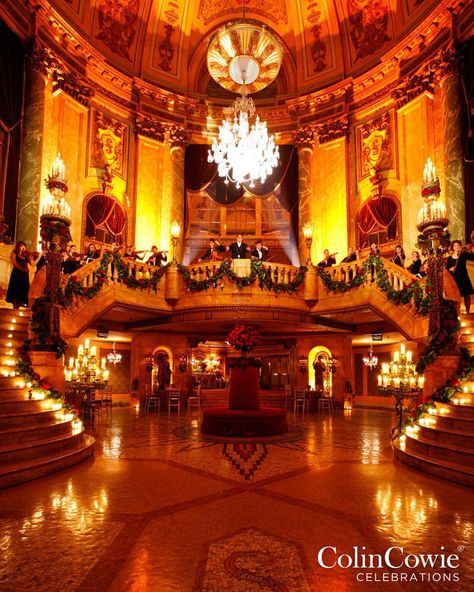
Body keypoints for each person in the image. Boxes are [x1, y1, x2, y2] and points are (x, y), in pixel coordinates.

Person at [446, 240, 474, 313]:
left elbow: (472, 258)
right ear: (453, 248)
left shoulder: (463, 254)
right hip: (455, 278)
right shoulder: (450, 258)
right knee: (456, 296)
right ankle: (457, 312)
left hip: (464, 277)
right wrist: (450, 269)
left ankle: (467, 311)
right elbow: (446, 269)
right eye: (455, 246)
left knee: (466, 295)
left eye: (458, 245)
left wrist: (470, 250)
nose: (457, 247)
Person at [6, 241, 33, 309]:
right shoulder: (14, 253)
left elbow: (32, 263)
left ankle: (21, 307)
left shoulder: (26, 255)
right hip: (16, 275)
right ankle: (15, 308)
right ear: (18, 247)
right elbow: (14, 263)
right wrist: (22, 269)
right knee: (15, 292)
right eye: (21, 246)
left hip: (24, 276)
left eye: (24, 246)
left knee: (23, 292)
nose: (23, 247)